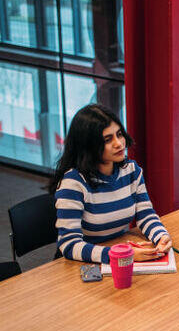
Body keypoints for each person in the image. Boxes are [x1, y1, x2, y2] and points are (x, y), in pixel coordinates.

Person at [49, 104, 172, 263]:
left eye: (119, 134)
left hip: (118, 250)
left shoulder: (131, 170)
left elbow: (145, 214)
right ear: (89, 146)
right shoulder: (73, 183)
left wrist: (161, 236)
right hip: (82, 263)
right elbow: (69, 244)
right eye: (108, 139)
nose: (119, 143)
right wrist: (120, 256)